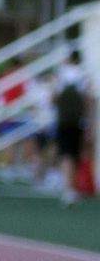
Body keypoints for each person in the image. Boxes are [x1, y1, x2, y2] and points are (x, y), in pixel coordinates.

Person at [54, 51, 89, 207]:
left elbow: (53, 98)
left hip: (63, 121)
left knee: (65, 154)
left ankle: (69, 189)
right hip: (79, 121)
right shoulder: (83, 75)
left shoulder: (60, 76)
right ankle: (72, 188)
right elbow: (88, 100)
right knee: (75, 155)